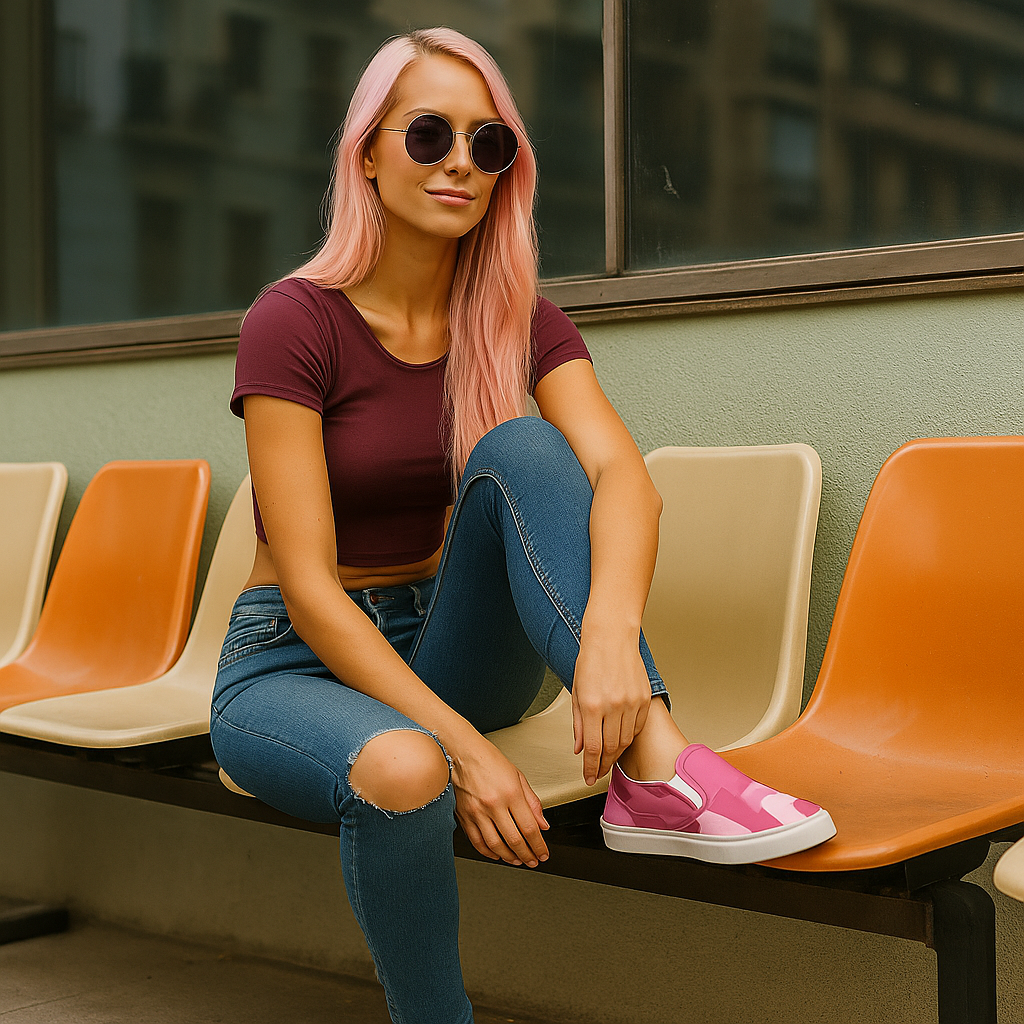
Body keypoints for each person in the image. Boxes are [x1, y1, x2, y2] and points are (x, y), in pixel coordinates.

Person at [210, 27, 836, 1024]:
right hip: (295, 663)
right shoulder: (294, 321)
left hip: (447, 642)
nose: (460, 162)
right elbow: (312, 587)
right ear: (367, 153)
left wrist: (609, 639)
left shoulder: (518, 318)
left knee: (525, 448)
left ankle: (659, 767)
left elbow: (626, 480)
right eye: (428, 135)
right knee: (407, 765)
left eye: (488, 143)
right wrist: (463, 749)